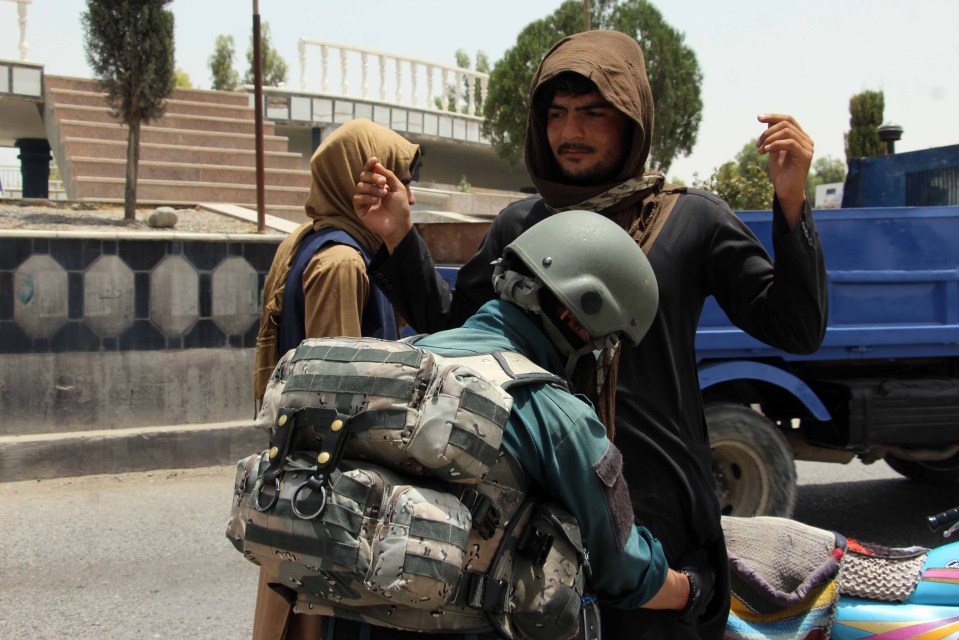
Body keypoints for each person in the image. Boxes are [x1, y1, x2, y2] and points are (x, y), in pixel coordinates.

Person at [353, 30, 828, 639]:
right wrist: (400, 237)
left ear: (631, 119)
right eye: (556, 114)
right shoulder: (521, 226)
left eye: (593, 112)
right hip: (529, 528)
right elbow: (458, 333)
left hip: (659, 523)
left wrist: (792, 205)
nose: (569, 131)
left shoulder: (691, 218)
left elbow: (796, 325)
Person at [324, 209, 711, 640]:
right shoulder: (561, 419)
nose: (602, 354)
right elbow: (621, 565)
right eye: (606, 342)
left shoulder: (404, 358)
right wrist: (690, 589)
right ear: (574, 321)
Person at [251, 118, 419, 640]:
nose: (408, 194)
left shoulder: (322, 241)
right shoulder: (343, 263)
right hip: (328, 485)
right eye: (398, 180)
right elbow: (339, 397)